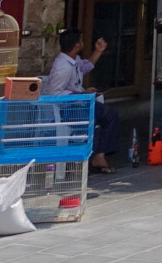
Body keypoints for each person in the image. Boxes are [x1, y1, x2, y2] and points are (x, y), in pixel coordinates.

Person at [44, 28, 122, 174]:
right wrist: (81, 94)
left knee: (109, 114)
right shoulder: (63, 67)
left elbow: (84, 67)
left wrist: (98, 51)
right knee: (104, 116)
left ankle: (99, 155)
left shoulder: (74, 60)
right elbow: (54, 95)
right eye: (81, 40)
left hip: (79, 104)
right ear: (77, 45)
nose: (83, 42)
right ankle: (92, 156)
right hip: (66, 110)